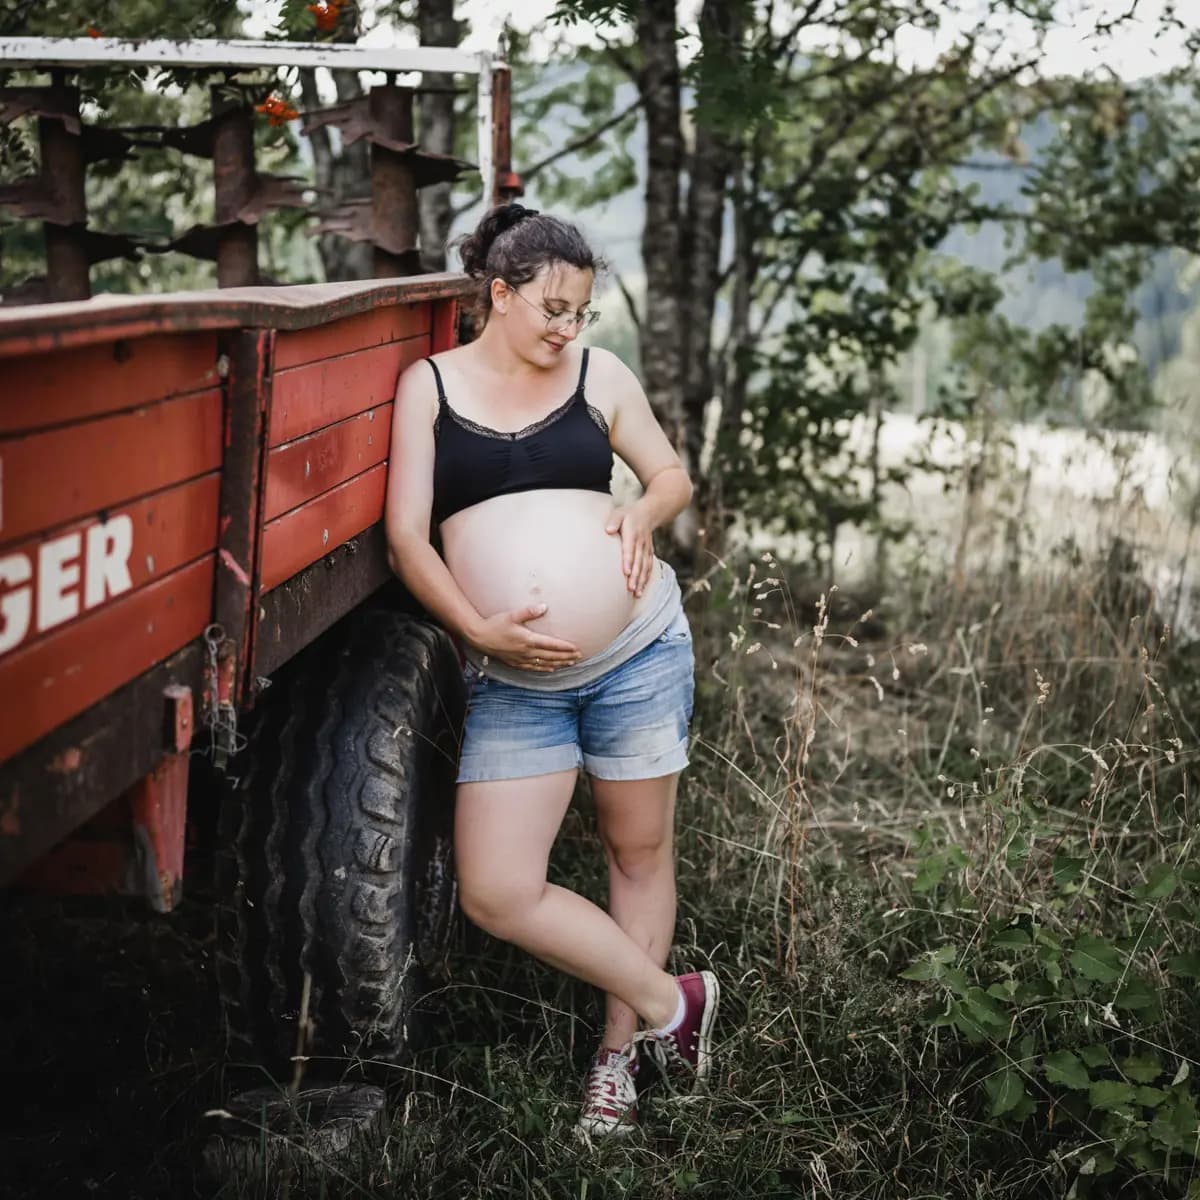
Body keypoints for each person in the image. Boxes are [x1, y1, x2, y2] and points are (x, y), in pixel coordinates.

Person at [384, 203, 718, 1137]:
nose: (568, 330)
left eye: (582, 313)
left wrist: (645, 513)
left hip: (639, 652)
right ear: (500, 294)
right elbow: (407, 536)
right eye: (553, 311)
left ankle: (617, 1065)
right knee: (496, 889)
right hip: (513, 675)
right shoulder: (432, 387)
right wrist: (478, 633)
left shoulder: (599, 376)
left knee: (636, 851)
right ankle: (671, 1001)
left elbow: (671, 475)